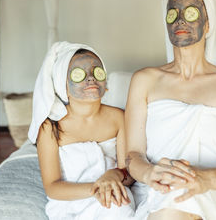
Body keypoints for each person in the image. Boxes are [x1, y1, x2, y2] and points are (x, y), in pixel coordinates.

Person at [125, 0, 216, 220]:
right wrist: (150, 174)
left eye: (191, 12)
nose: (180, 19)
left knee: (178, 198)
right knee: (172, 197)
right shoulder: (144, 80)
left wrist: (205, 180)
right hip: (157, 188)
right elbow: (132, 155)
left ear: (207, 24)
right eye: (173, 13)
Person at [27, 42, 135, 219]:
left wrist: (114, 174)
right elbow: (52, 187)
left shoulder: (118, 118)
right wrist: (97, 188)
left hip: (113, 195)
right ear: (64, 87)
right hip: (71, 202)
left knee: (118, 206)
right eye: (79, 75)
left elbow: (129, 173)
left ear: (105, 83)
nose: (91, 78)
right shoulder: (50, 127)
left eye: (97, 72)